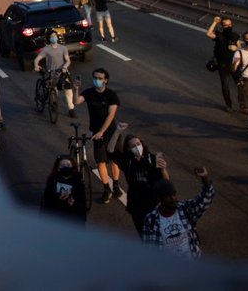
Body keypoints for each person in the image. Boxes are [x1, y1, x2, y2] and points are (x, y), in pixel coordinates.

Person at [73, 67, 122, 204]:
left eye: (100, 78)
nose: (97, 80)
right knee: (100, 161)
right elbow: (76, 102)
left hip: (111, 133)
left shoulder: (111, 95)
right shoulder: (89, 93)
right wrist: (76, 88)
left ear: (105, 80)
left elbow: (111, 115)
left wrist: (102, 131)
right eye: (95, 78)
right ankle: (107, 189)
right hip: (96, 133)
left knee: (114, 160)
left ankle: (116, 184)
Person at [141, 167, 215, 259]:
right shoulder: (151, 220)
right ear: (159, 199)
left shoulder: (184, 209)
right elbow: (150, 250)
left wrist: (205, 179)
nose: (173, 198)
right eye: (168, 196)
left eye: (174, 194)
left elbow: (206, 198)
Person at [111, 132, 169, 235]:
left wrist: (163, 169)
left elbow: (165, 182)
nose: (137, 147)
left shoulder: (153, 158)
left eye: (138, 144)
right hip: (137, 207)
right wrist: (117, 131)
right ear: (128, 149)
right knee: (144, 235)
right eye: (133, 146)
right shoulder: (127, 161)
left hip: (154, 204)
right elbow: (111, 152)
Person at [206, 15, 246, 113]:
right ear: (222, 26)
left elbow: (241, 50)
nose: (228, 27)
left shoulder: (235, 36)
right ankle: (229, 105)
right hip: (222, 65)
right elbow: (209, 33)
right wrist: (215, 22)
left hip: (234, 64)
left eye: (229, 25)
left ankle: (242, 106)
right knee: (225, 85)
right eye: (225, 25)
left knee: (241, 84)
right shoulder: (219, 35)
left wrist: (236, 48)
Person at [33, 30, 74, 118]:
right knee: (54, 90)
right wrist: (36, 65)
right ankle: (54, 104)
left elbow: (68, 61)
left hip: (62, 72)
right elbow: (37, 59)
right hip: (51, 72)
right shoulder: (46, 49)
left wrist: (65, 67)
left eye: (55, 36)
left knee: (68, 90)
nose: (54, 38)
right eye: (52, 36)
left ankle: (71, 109)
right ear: (49, 39)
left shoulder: (63, 48)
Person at [40, 155, 87, 225]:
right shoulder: (53, 180)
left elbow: (82, 206)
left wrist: (73, 203)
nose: (66, 167)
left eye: (68, 165)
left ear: (72, 167)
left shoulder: (78, 182)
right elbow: (46, 201)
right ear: (58, 168)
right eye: (63, 165)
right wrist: (58, 198)